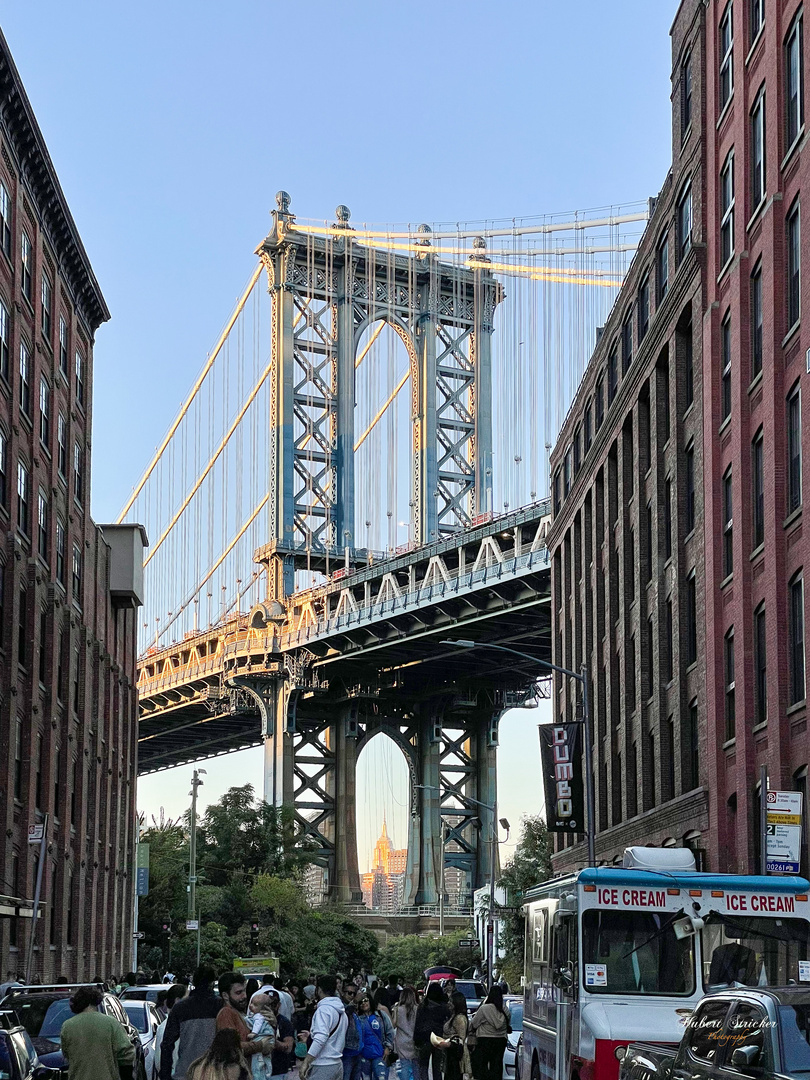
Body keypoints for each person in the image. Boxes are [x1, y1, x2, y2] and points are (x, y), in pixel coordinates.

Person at [160, 965, 224, 1080]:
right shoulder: (221, 1006)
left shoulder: (180, 1008)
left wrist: (165, 1076)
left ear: (194, 982)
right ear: (212, 983)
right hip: (215, 1073)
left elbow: (167, 1044)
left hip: (185, 1072)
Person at [61, 984, 136, 1080]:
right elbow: (126, 1052)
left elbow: (66, 1054)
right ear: (96, 1002)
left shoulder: (67, 1026)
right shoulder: (111, 1023)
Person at [218, 973, 274, 1065]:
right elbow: (230, 1048)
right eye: (238, 993)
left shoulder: (242, 1013)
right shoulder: (226, 1013)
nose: (244, 996)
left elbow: (269, 1044)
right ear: (225, 996)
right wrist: (260, 1045)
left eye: (244, 991)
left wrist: (271, 1025)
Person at [299, 974, 347, 1080]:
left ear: (319, 989)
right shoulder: (341, 1011)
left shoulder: (323, 1010)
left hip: (323, 1065)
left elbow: (321, 1038)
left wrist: (306, 1062)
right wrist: (312, 1035)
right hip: (337, 1064)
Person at [469, 987, 510, 1080]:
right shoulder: (505, 1009)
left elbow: (474, 1024)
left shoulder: (484, 1009)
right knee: (497, 1064)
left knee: (482, 1064)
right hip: (501, 1040)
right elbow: (507, 1023)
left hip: (485, 1039)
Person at [413, 983, 449, 1080]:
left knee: (423, 1066)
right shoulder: (444, 1007)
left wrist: (416, 1038)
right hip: (439, 1039)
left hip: (424, 1039)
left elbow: (418, 1023)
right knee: (437, 1068)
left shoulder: (423, 1006)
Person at [153, 983, 188, 1079]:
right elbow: (161, 1060)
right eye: (186, 998)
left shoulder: (169, 1025)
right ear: (178, 1001)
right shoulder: (167, 1027)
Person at [356, 992, 393, 1080]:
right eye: (360, 1002)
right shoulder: (357, 1018)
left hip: (380, 1054)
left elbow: (390, 1031)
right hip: (363, 1055)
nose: (363, 1003)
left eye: (365, 1000)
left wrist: (388, 1047)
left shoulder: (380, 1015)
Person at [245, 992, 277, 1080]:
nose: (251, 1006)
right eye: (251, 1003)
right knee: (265, 1062)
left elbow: (257, 1025)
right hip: (266, 1040)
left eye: (255, 1005)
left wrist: (253, 1033)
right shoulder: (258, 1016)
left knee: (258, 1064)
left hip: (262, 1039)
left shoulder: (259, 1017)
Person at [391, 987, 418, 1080]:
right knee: (415, 1067)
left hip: (402, 1041)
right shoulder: (417, 1009)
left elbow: (393, 1025)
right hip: (414, 1040)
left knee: (404, 1066)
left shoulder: (398, 1009)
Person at [442, 993, 470, 1080]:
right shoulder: (453, 1016)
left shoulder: (460, 1018)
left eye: (451, 1001)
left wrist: (449, 1043)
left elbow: (460, 1039)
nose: (449, 1003)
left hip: (455, 1056)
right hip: (449, 1054)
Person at [341, 984, 364, 1080]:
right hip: (347, 1052)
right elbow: (345, 1013)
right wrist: (354, 1001)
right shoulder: (341, 1007)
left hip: (357, 1051)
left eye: (354, 994)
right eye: (349, 993)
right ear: (342, 993)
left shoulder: (355, 1009)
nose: (351, 995)